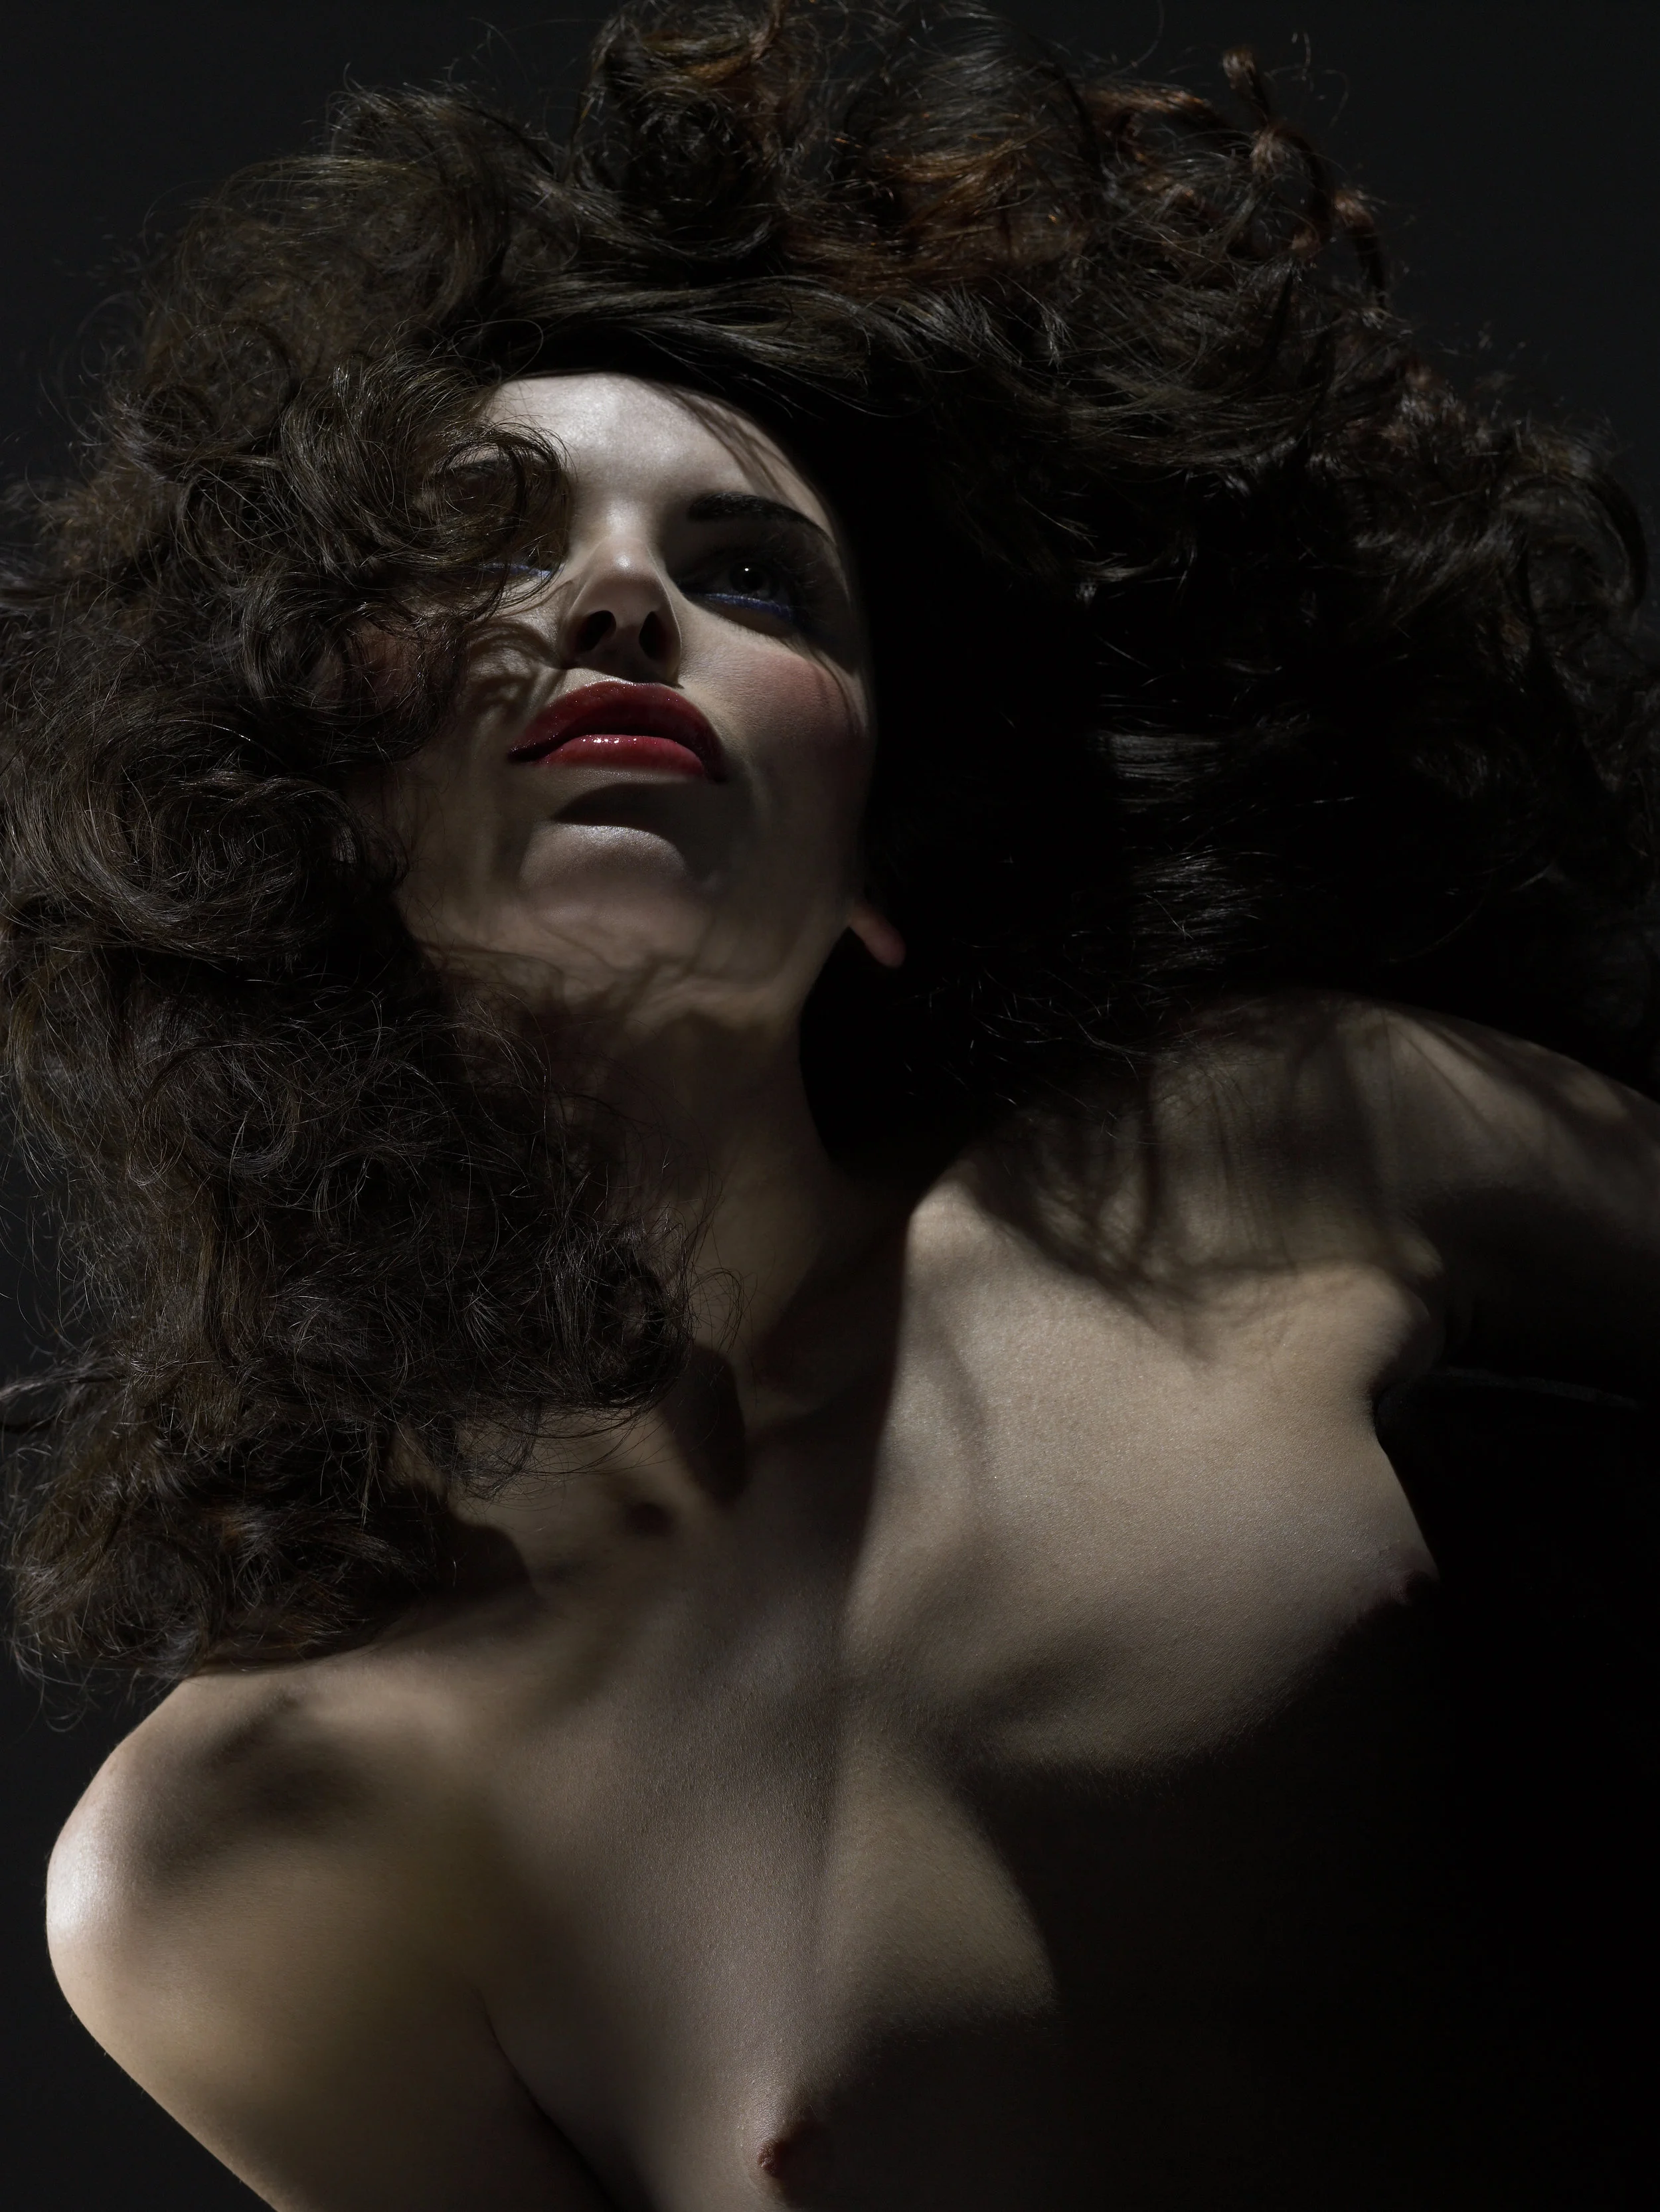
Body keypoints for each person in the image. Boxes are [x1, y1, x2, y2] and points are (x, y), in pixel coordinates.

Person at [3, 3, 1657, 2205]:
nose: (617, 598)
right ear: (304, 812)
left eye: (749, 575)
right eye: (483, 539)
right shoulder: (232, 1865)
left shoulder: (1261, 1143)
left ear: (879, 853)